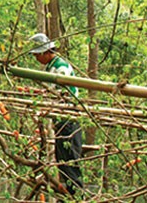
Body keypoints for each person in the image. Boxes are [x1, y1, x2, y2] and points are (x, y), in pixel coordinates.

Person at [29, 32, 84, 198]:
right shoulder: (51, 66)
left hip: (68, 117)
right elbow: (51, 90)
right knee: (62, 160)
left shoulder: (60, 66)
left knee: (69, 159)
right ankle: (67, 194)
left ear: (46, 52)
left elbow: (62, 93)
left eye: (38, 55)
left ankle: (74, 195)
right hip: (60, 118)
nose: (36, 59)